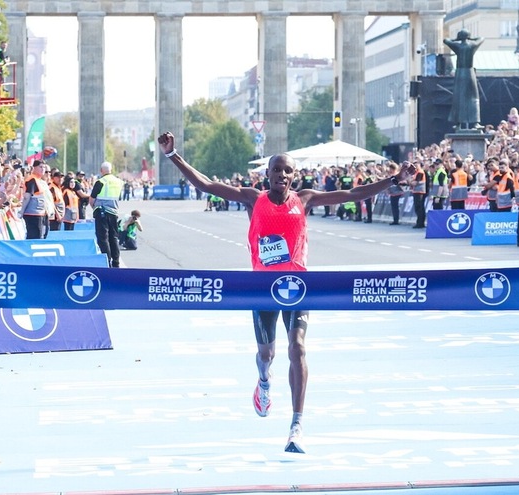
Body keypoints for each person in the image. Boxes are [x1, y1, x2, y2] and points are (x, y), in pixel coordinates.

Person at [158, 131, 414, 454]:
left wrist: (394, 181)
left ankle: (296, 425)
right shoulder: (254, 199)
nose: (282, 175)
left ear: (295, 176)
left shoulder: (305, 199)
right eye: (277, 170)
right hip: (262, 289)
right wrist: (172, 155)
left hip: (297, 288)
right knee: (267, 354)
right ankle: (264, 381)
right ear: (267, 175)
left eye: (288, 171)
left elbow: (352, 194)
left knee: (299, 349)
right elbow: (206, 186)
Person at [443, 29, 484, 130]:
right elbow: (481, 38)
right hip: (470, 73)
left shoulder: (457, 46)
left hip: (460, 73)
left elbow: (445, 40)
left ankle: (458, 123)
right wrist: (471, 38)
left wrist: (456, 39)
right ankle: (475, 123)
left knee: (458, 98)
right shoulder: (472, 45)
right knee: (473, 98)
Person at [90, 161, 124, 268]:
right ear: (111, 170)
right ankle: (116, 261)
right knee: (113, 237)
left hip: (101, 212)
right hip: (114, 212)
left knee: (103, 238)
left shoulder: (101, 181)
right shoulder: (119, 182)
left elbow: (92, 199)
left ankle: (106, 260)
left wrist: (94, 208)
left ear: (101, 171)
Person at [20, 161, 50, 239]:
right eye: (40, 167)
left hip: (40, 213)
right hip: (33, 214)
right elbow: (27, 196)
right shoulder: (32, 180)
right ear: (34, 168)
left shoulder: (39, 180)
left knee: (41, 235)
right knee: (34, 236)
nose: (43, 169)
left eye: (44, 167)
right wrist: (21, 211)